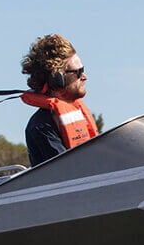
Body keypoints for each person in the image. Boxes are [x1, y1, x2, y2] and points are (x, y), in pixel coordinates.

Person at [20, 34, 99, 166]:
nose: (85, 77)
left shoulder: (78, 113)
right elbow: (65, 172)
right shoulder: (41, 126)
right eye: (78, 72)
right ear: (57, 79)